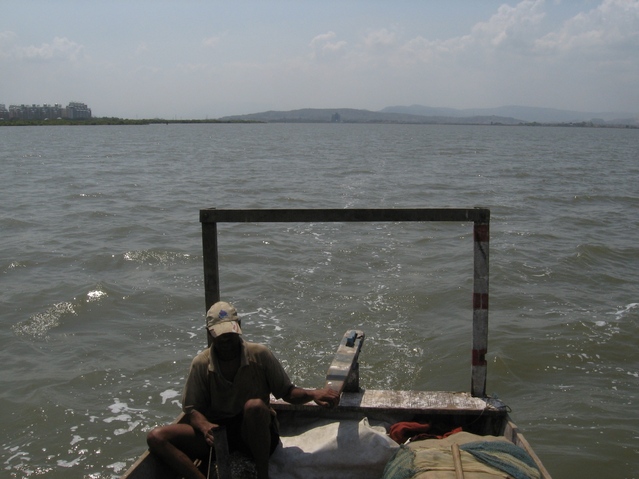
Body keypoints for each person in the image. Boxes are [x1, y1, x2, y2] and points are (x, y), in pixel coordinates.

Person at [147, 301, 340, 479]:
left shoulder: (260, 354)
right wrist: (205, 426)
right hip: (220, 434)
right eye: (220, 335)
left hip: (255, 433)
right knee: (156, 437)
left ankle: (263, 475)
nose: (226, 340)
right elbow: (193, 410)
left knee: (254, 406)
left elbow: (287, 392)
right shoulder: (201, 364)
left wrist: (314, 394)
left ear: (239, 326)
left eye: (230, 333)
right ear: (209, 333)